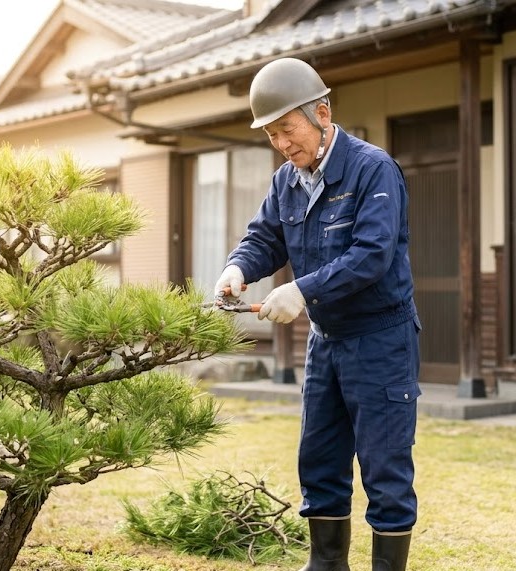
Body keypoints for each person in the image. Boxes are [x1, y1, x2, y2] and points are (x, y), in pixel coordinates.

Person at [214, 57, 422, 571]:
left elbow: (372, 256)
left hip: (382, 338)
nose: (283, 145)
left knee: (384, 468)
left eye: (288, 130)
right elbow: (265, 238)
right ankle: (326, 565)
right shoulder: (287, 180)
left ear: (322, 113)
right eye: (272, 136)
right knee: (320, 459)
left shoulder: (373, 168)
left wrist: (301, 291)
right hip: (326, 341)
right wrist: (238, 269)